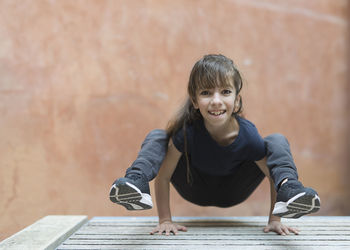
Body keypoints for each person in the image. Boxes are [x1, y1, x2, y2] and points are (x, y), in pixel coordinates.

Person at [109, 54, 321, 236]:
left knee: (276, 140)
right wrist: (165, 220)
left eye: (226, 92)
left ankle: (290, 187)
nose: (216, 100)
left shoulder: (248, 136)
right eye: (206, 93)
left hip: (235, 190)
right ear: (194, 101)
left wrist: (275, 220)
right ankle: (137, 179)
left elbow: (270, 175)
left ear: (237, 101)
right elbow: (164, 176)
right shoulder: (187, 133)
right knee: (158, 136)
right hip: (194, 188)